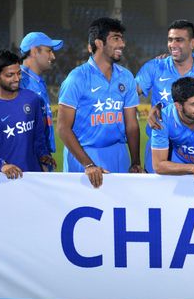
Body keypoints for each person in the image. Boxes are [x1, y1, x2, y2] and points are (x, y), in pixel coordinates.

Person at [57, 17, 142, 188]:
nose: (122, 44)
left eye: (122, 39)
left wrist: (135, 162)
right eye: (116, 38)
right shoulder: (77, 78)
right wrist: (88, 164)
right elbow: (63, 128)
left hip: (118, 153)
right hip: (85, 155)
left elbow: (131, 125)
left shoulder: (126, 77)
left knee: (120, 210)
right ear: (99, 43)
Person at [136, 19, 194, 172]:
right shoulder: (154, 67)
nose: (173, 44)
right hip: (160, 147)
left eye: (179, 40)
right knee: (156, 196)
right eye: (170, 40)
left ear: (192, 43)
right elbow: (129, 95)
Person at [0, 50, 52, 178]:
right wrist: (1, 165)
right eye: (10, 75)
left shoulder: (32, 99)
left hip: (34, 176)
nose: (17, 79)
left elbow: (38, 135)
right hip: (6, 180)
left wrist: (43, 154)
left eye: (19, 73)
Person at [19, 31, 63, 163]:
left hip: (41, 155)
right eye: (49, 51)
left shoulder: (37, 81)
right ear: (34, 51)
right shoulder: (20, 81)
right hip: (29, 159)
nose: (53, 56)